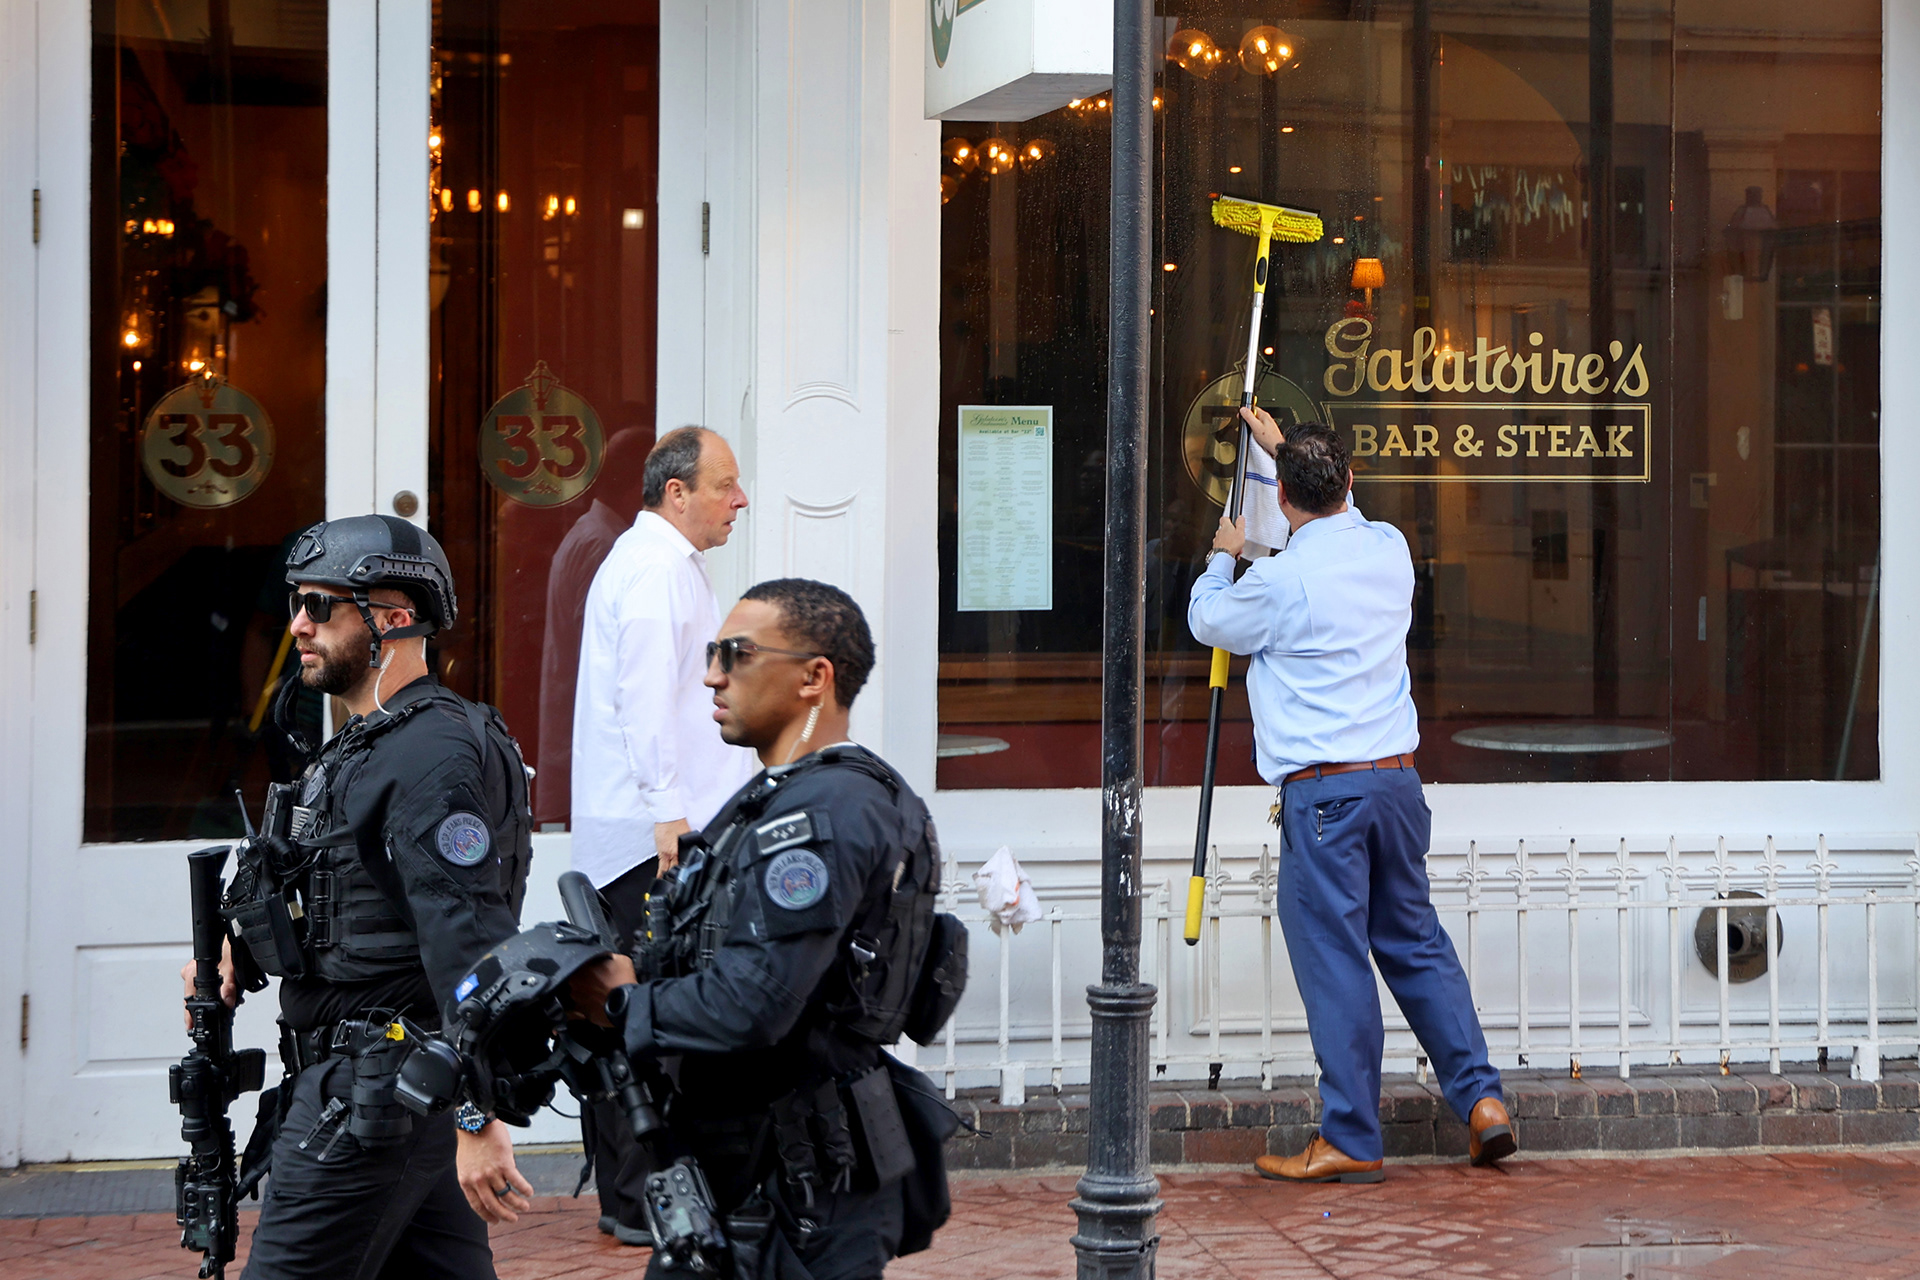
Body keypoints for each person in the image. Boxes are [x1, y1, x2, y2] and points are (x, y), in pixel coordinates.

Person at [182, 514, 535, 1278]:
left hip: (376, 1093)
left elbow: (467, 936)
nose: (297, 626)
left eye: (320, 606)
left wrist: (478, 1113)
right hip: (382, 1085)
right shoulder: (366, 740)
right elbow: (330, 882)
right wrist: (234, 950)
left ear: (394, 619)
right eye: (296, 604)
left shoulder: (430, 750)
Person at [568, 578, 953, 1279]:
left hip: (794, 1194)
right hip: (746, 1180)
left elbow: (756, 1001)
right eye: (713, 653)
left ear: (815, 677)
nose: (713, 674)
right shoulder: (777, 798)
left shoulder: (825, 815)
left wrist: (625, 999)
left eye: (735, 654)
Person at [1187, 407, 1515, 1184]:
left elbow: (1209, 621)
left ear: (1287, 503)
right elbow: (1325, 514)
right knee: (1416, 944)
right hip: (1398, 783)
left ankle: (1351, 1135)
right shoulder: (1390, 550)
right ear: (1352, 482)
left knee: (1335, 960)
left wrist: (1221, 555)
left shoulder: (1278, 580)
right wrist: (1284, 455)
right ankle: (1482, 1103)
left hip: (1326, 798)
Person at [569, 424, 759, 1241]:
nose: (739, 500)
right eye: (725, 485)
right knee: (636, 1015)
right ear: (675, 492)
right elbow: (643, 703)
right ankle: (638, 1201)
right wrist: (670, 815)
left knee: (645, 1010)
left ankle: (647, 1194)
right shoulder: (652, 571)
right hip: (650, 839)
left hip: (658, 828)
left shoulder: (669, 567)